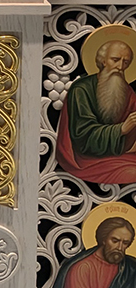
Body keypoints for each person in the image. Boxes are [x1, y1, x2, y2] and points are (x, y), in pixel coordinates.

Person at [56, 36, 136, 183]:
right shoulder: (81, 89)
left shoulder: (128, 92)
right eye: (115, 60)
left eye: (125, 62)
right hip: (86, 159)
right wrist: (121, 129)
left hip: (118, 153)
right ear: (103, 61)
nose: (120, 67)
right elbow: (82, 137)